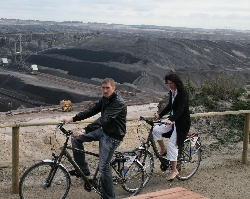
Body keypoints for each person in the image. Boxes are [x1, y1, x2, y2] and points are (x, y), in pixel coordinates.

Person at [62, 78, 127, 199]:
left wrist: (84, 130)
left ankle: (109, 197)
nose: (105, 90)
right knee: (76, 139)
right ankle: (83, 170)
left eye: (107, 88)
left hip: (113, 136)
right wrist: (72, 119)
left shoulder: (118, 102)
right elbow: (91, 111)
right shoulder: (105, 99)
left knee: (103, 167)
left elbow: (104, 119)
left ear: (114, 88)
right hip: (104, 131)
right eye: (103, 88)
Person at [152, 73, 191, 181]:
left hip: (181, 122)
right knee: (156, 130)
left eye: (171, 83)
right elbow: (170, 106)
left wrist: (171, 119)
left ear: (176, 82)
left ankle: (174, 170)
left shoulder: (183, 92)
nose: (169, 85)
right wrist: (160, 114)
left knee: (172, 145)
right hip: (173, 120)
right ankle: (163, 149)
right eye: (168, 83)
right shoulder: (172, 92)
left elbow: (181, 109)